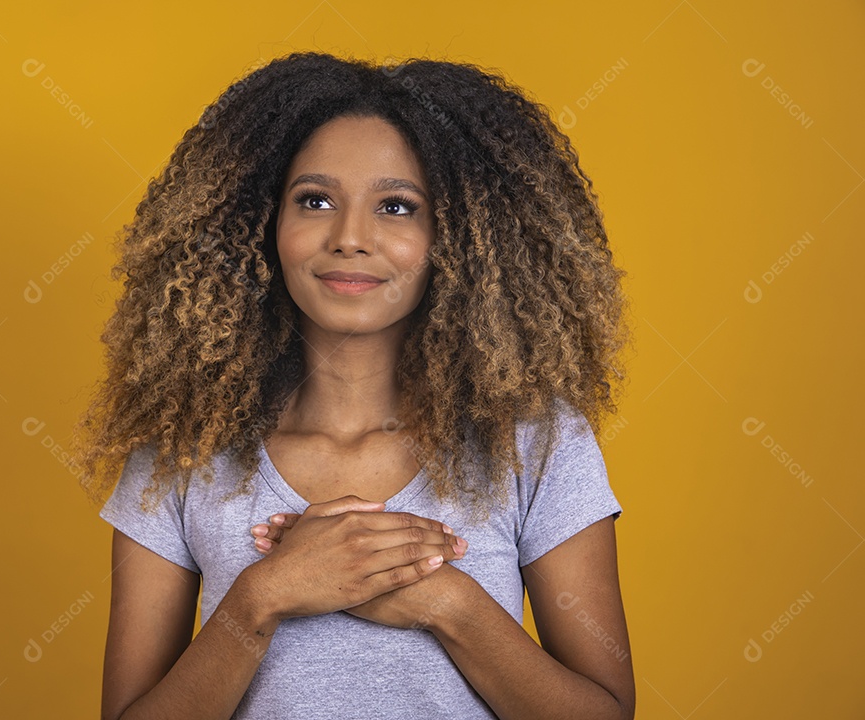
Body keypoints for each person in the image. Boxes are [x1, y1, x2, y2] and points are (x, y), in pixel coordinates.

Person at [71, 50, 636, 720]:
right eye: (315, 200)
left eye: (396, 206)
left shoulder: (535, 444)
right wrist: (265, 596)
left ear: (460, 237)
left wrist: (445, 603)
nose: (349, 237)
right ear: (260, 223)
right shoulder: (184, 451)